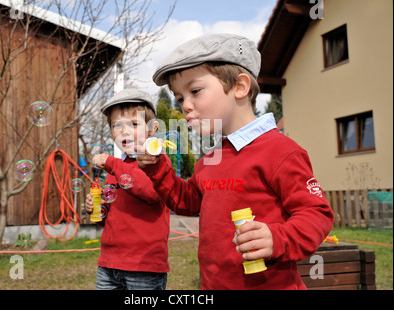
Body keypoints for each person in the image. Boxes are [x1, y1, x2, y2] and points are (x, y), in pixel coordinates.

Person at [137, 33, 334, 290]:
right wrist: (155, 166)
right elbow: (185, 200)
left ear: (240, 87)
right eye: (180, 97)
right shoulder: (210, 160)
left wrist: (278, 239)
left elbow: (316, 213)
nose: (185, 105)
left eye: (195, 91)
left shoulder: (282, 152)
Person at [86, 88, 170, 290]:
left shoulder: (155, 161)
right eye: (117, 125)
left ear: (152, 128)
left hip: (144, 265)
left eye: (133, 124)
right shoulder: (115, 170)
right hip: (109, 263)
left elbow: (150, 192)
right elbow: (110, 218)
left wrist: (111, 163)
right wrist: (97, 210)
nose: (124, 131)